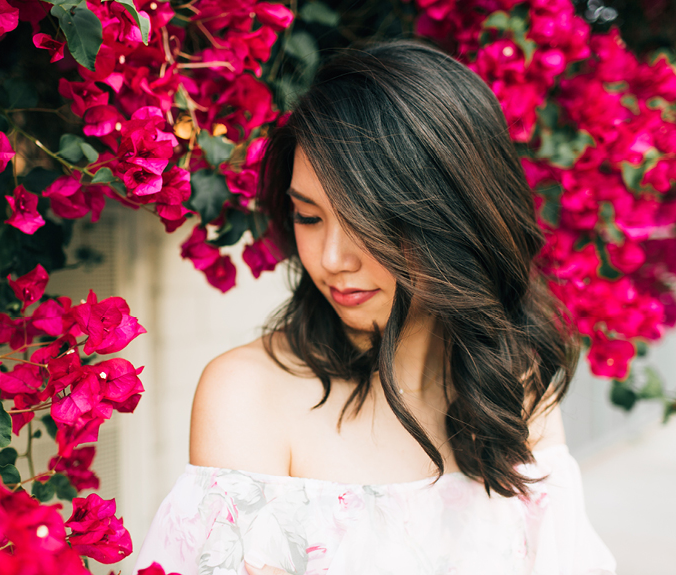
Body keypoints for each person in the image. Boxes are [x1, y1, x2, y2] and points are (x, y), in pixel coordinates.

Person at [134, 40, 617, 575]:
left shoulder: (512, 382)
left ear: (459, 220)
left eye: (371, 224)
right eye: (309, 217)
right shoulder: (250, 396)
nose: (333, 259)